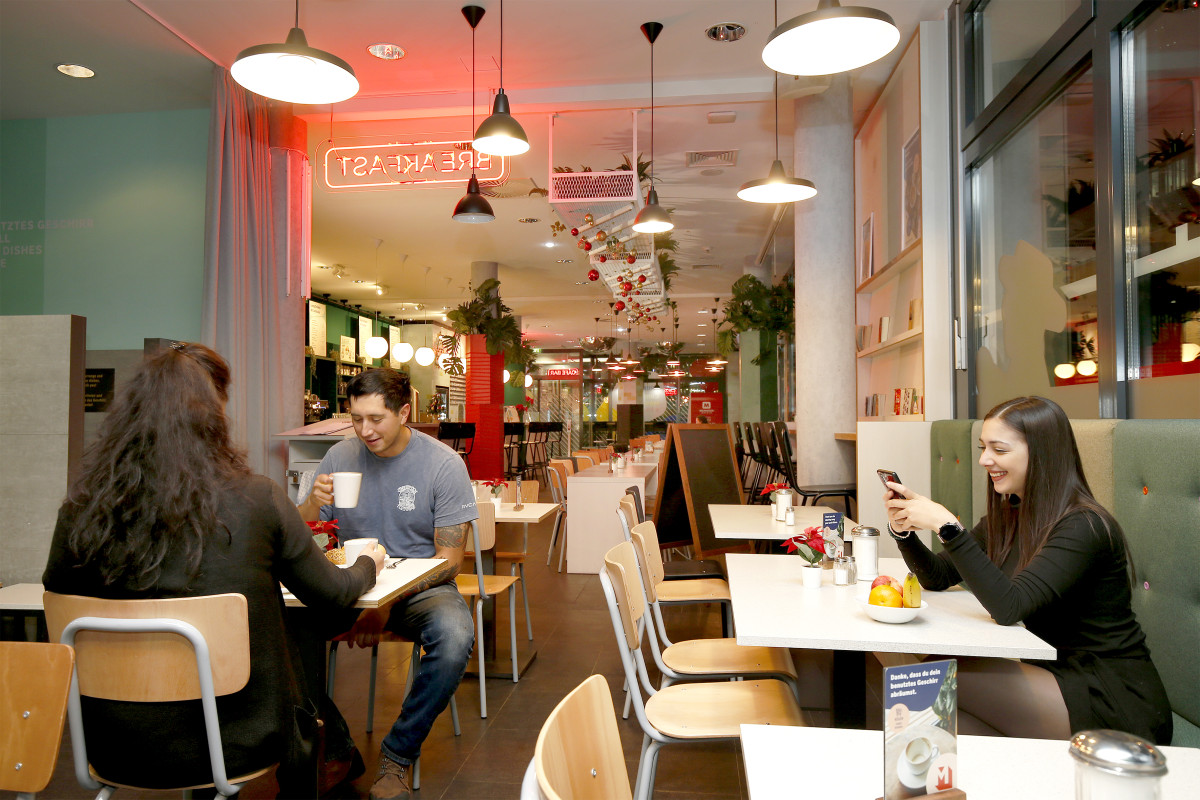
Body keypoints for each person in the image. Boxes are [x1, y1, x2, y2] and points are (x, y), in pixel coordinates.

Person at [42, 343, 385, 796]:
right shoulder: (256, 499)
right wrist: (368, 563)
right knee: (287, 637)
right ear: (213, 415)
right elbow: (334, 595)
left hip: (112, 743)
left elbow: (58, 593)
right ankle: (327, 755)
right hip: (236, 739)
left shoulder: (81, 508)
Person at [883, 396, 1172, 743]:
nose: (984, 459)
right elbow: (938, 576)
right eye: (983, 448)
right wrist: (903, 531)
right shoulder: (1012, 515)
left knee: (931, 677)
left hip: (1112, 696)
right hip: (1055, 677)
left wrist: (948, 527)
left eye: (999, 449)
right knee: (940, 720)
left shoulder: (1083, 525)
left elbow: (1009, 606)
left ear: (1041, 453)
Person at [298, 368, 476, 800]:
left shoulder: (443, 465)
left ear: (404, 412)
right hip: (348, 583)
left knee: (455, 635)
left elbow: (449, 561)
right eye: (356, 418)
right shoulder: (339, 457)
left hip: (420, 589)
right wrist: (312, 504)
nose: (365, 430)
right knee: (277, 630)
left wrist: (384, 604)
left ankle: (397, 755)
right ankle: (337, 748)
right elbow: (303, 536)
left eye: (376, 418)